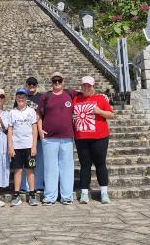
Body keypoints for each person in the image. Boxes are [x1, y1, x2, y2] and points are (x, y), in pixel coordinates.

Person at [37, 72, 78, 205]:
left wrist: (103, 96)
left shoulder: (70, 93)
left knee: (67, 168)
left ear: (63, 81)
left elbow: (86, 95)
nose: (57, 83)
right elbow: (39, 115)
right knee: (50, 168)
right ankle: (50, 197)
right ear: (51, 82)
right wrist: (39, 130)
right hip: (49, 138)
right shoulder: (46, 96)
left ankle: (66, 196)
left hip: (66, 138)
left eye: (59, 80)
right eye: (54, 81)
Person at [73, 76, 114, 204]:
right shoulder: (76, 98)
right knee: (85, 165)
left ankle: (104, 193)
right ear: (81, 86)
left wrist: (100, 111)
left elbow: (111, 114)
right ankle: (84, 193)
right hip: (81, 138)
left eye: (89, 85)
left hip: (99, 137)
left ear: (93, 86)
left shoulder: (100, 98)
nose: (86, 88)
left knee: (100, 164)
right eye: (84, 85)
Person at [8, 88, 38, 206]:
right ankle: (16, 195)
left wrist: (34, 146)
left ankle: (32, 195)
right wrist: (10, 146)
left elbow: (34, 129)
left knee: (30, 170)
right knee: (17, 170)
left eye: (23, 97)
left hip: (29, 146)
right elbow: (10, 130)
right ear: (16, 98)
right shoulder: (12, 112)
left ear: (26, 99)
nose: (21, 99)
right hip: (16, 146)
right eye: (19, 97)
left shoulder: (31, 111)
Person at [17, 77, 44, 193]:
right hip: (24, 137)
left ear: (37, 85)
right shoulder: (21, 97)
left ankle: (38, 185)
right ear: (26, 85)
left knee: (39, 162)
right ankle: (24, 186)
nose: (31, 86)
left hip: (37, 136)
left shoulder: (42, 97)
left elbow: (44, 114)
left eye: (34, 84)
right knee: (24, 164)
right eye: (29, 84)